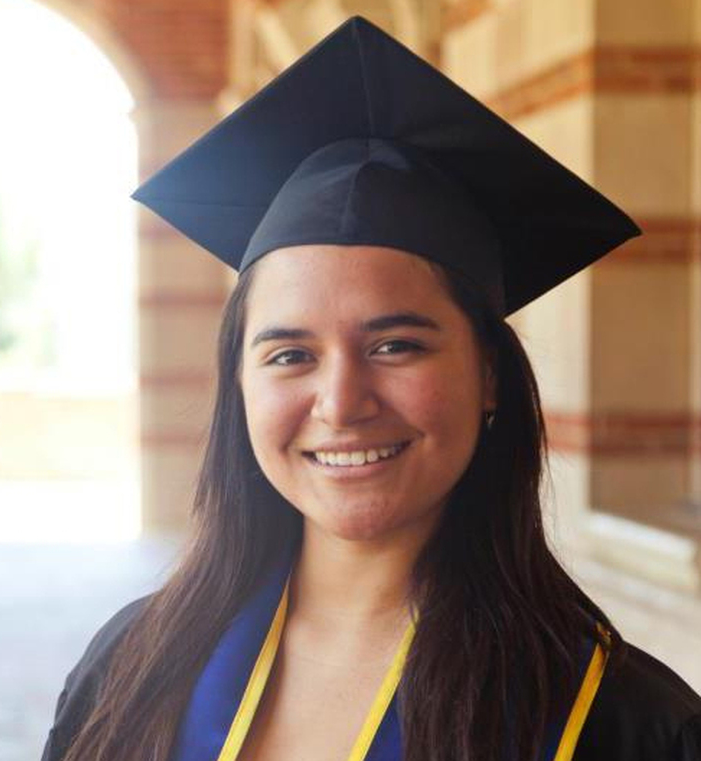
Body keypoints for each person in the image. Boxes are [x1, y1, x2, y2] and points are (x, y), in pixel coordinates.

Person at [41, 16, 701, 761]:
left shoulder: (620, 726)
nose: (341, 401)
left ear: (488, 373)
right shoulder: (133, 667)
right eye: (289, 354)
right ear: (239, 385)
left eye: (395, 345)